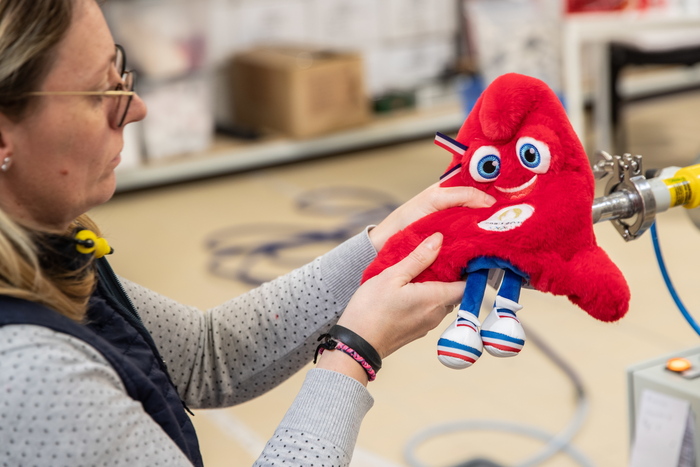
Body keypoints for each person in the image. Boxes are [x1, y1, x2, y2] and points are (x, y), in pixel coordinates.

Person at [0, 0, 496, 465]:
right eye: (97, 93)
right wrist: (352, 354)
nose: (135, 108)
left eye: (120, 71)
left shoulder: (45, 247)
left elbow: (207, 355)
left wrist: (380, 247)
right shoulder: (26, 374)